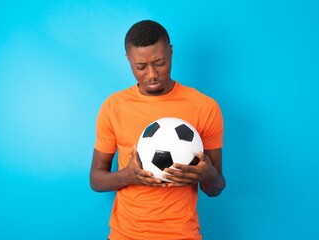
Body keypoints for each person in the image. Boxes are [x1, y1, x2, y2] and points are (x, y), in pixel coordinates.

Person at [90, 20, 225, 240]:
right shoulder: (113, 106)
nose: (151, 74)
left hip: (182, 235)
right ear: (129, 60)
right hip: (125, 235)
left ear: (170, 52)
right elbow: (96, 179)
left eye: (159, 62)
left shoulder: (204, 107)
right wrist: (128, 176)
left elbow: (216, 187)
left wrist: (209, 175)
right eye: (141, 66)